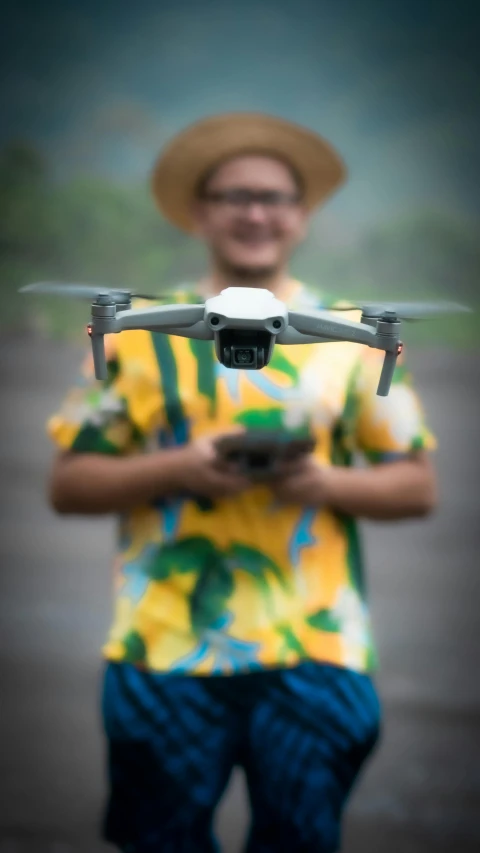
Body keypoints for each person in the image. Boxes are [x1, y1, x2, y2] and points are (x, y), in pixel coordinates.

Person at [46, 113, 438, 853]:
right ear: (199, 210)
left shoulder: (348, 339)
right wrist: (178, 468)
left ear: (303, 212)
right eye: (233, 195)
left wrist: (317, 482)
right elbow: (69, 482)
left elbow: (417, 486)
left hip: (315, 649)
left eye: (274, 196)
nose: (255, 212)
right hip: (163, 645)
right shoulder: (137, 337)